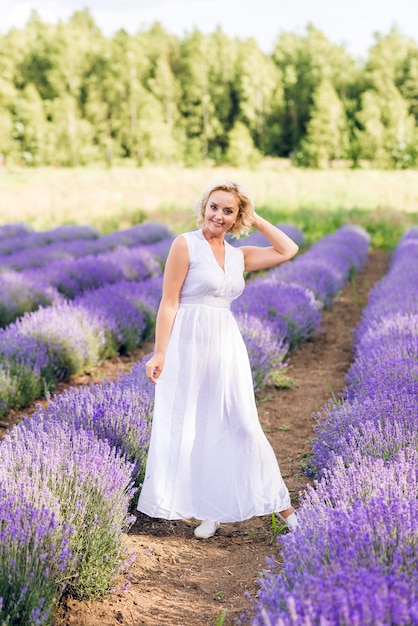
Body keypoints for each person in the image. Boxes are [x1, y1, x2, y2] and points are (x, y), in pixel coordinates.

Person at [137, 179, 299, 539]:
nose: (219, 216)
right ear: (204, 208)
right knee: (194, 425)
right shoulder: (186, 245)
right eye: (214, 207)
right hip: (187, 344)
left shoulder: (240, 256)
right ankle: (210, 510)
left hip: (226, 345)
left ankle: (286, 510)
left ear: (237, 216)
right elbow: (169, 301)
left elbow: (288, 249)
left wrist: (255, 219)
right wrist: (160, 351)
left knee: (242, 424)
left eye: (229, 211)